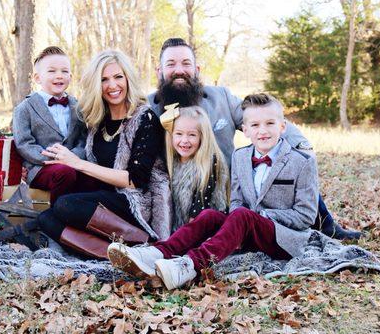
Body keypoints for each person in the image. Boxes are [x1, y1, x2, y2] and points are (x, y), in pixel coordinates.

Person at [147, 38, 361, 241]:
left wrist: (301, 147)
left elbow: (261, 119)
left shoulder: (220, 97)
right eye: (171, 64)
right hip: (178, 189)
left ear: (197, 69)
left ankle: (326, 224)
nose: (179, 70)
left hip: (228, 184)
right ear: (159, 71)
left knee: (294, 163)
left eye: (186, 63)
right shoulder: (148, 107)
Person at [108, 93, 317, 289]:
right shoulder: (241, 157)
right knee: (209, 216)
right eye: (255, 125)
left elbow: (306, 216)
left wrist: (262, 216)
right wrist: (237, 224)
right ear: (245, 130)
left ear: (282, 126)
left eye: (270, 123)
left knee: (243, 216)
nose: (262, 131)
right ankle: (158, 252)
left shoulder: (302, 162)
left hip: (283, 238)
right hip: (249, 231)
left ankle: (189, 266)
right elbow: (236, 203)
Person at [35, 50, 171, 259]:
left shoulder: (145, 118)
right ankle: (118, 256)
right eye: (104, 79)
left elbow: (135, 180)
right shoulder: (98, 122)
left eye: (118, 77)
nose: (112, 85)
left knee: (65, 205)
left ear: (128, 79)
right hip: (106, 200)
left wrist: (77, 163)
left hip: (136, 203)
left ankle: (143, 242)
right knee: (46, 218)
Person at [13, 46, 88, 203]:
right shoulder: (25, 108)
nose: (59, 76)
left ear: (71, 76)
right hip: (41, 167)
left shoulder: (77, 106)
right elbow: (24, 143)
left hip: (73, 161)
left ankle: (86, 219)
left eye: (64, 71)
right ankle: (56, 218)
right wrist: (54, 158)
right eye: (52, 71)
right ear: (37, 78)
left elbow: (83, 138)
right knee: (65, 173)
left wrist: (74, 156)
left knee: (93, 176)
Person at [160, 105, 229, 232]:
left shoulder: (210, 161)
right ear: (171, 136)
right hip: (176, 230)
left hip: (203, 230)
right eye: (179, 134)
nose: (184, 140)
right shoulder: (171, 161)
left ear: (202, 137)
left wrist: (183, 238)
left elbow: (199, 208)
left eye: (192, 135)